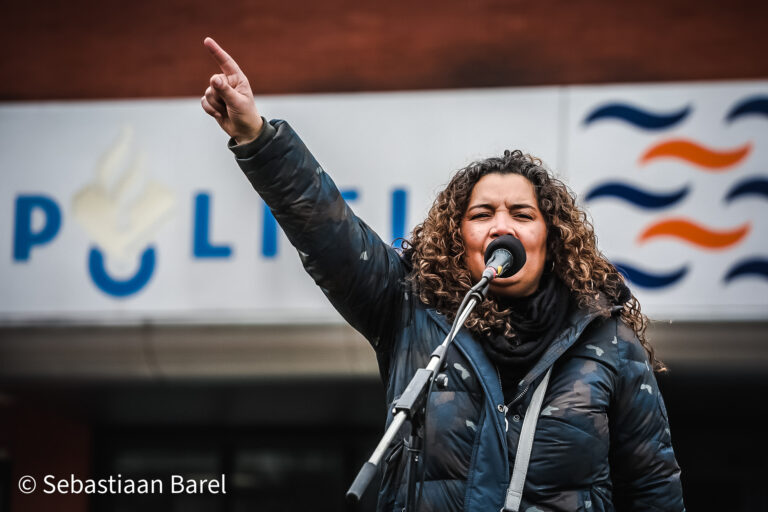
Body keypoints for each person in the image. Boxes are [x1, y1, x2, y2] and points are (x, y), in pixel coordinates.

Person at [201, 37, 685, 512]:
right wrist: (258, 137)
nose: (501, 225)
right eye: (481, 215)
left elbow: (653, 489)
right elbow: (328, 231)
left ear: (551, 235)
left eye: (521, 213)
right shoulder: (410, 310)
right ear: (459, 239)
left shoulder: (609, 343)